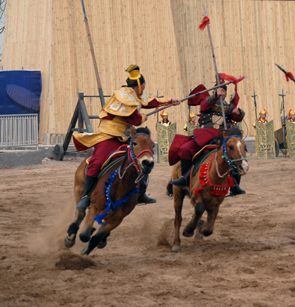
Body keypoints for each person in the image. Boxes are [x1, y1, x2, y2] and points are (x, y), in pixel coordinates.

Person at [73, 65, 181, 210]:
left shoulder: (133, 95)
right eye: (143, 85)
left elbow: (149, 102)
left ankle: (141, 193)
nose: (144, 87)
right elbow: (135, 119)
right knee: (97, 162)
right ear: (139, 86)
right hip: (109, 136)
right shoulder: (124, 96)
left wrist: (171, 101)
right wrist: (142, 117)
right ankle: (86, 196)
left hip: (123, 136)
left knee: (143, 156)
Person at [171, 79, 246, 195]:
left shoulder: (228, 107)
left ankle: (235, 184)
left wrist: (238, 112)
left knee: (236, 151)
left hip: (222, 136)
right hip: (204, 135)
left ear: (225, 94)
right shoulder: (207, 102)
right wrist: (216, 96)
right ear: (213, 92)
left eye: (223, 91)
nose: (222, 93)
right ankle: (185, 179)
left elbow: (237, 118)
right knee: (185, 149)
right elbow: (203, 106)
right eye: (218, 90)